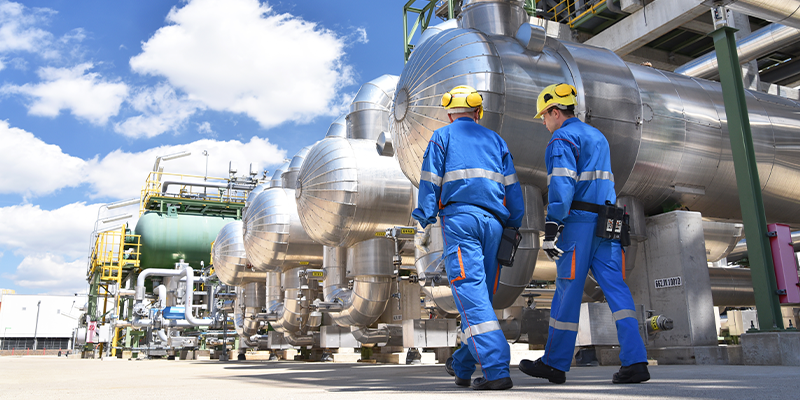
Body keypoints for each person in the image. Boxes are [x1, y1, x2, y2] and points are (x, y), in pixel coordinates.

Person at [518, 83, 650, 384]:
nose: (542, 121)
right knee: (617, 289)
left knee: (568, 290)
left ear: (555, 112)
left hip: (577, 223)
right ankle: (636, 361)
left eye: (543, 115)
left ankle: (555, 363)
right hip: (608, 222)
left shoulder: (561, 139)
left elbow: (562, 188)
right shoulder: (597, 137)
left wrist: (552, 226)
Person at [412, 85, 524, 391]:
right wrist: (513, 225)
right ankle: (462, 365)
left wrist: (423, 216)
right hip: (496, 226)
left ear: (450, 113)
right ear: (478, 113)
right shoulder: (496, 140)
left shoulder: (442, 136)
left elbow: (430, 179)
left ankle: (497, 367)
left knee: (471, 298)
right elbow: (514, 190)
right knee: (479, 299)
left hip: (461, 222)